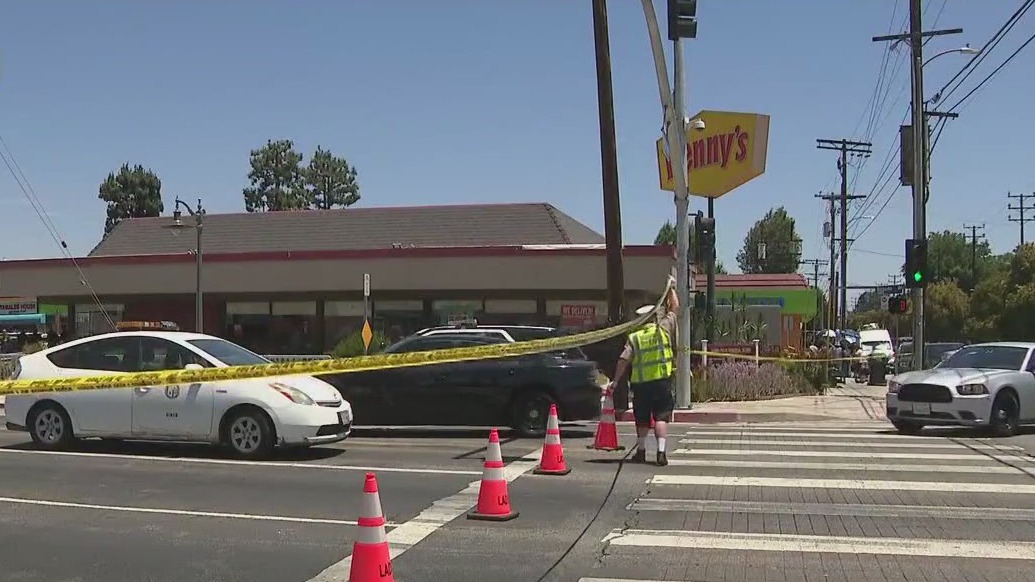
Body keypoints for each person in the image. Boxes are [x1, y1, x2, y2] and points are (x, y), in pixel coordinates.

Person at [605, 280, 679, 466]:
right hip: (662, 382)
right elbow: (675, 307)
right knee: (661, 417)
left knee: (642, 419)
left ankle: (641, 451)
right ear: (655, 317)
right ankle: (661, 453)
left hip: (641, 386)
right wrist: (671, 288)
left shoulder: (634, 338)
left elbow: (623, 359)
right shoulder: (664, 330)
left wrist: (615, 381)